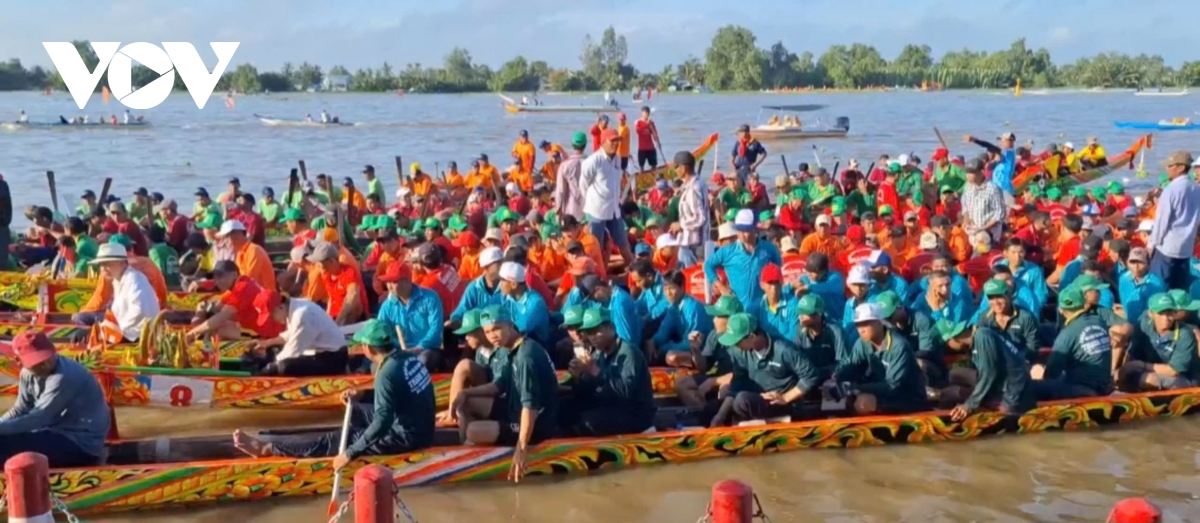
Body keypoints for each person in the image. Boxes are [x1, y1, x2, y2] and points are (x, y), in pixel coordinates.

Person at [233, 319, 434, 470]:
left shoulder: (387, 372)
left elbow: (382, 421)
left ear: (368, 348)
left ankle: (269, 449)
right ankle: (339, 441)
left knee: (338, 440)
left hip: (407, 437)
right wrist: (362, 394)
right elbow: (397, 393)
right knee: (354, 410)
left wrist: (350, 452)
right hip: (415, 424)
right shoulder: (407, 357)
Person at [451, 306, 559, 482]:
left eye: (497, 329)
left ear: (510, 325)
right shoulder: (507, 349)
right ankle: (464, 451)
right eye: (487, 331)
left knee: (473, 431)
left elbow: (530, 406)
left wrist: (521, 448)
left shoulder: (526, 356)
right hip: (512, 408)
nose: (492, 335)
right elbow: (499, 385)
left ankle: (469, 459)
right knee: (467, 402)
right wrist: (465, 392)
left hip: (536, 423)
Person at [0, 332, 110, 467]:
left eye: (48, 357)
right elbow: (20, 409)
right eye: (38, 362)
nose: (46, 364)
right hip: (53, 431)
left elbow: (37, 419)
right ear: (19, 361)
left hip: (81, 444)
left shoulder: (63, 377)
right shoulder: (27, 373)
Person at [710, 313, 820, 426]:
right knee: (712, 408)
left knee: (742, 400)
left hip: (785, 404)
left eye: (737, 342)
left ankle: (740, 431)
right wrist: (720, 415)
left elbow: (811, 375)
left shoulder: (784, 349)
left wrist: (785, 397)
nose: (734, 345)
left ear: (752, 337)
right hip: (758, 400)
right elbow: (738, 384)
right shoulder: (739, 352)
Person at [563, 307, 656, 436]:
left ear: (610, 328)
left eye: (596, 331)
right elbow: (589, 390)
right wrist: (579, 377)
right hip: (610, 406)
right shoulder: (598, 354)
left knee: (588, 421)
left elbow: (625, 392)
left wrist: (593, 370)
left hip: (635, 413)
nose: (593, 337)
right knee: (566, 409)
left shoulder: (628, 352)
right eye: (589, 333)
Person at [836, 303, 928, 414]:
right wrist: (836, 377)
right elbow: (852, 365)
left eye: (866, 324)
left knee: (864, 402)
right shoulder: (862, 342)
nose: (861, 330)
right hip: (883, 392)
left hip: (909, 398)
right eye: (858, 325)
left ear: (880, 322)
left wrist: (857, 388)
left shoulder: (898, 346)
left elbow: (892, 386)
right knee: (842, 397)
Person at [936, 320, 1036, 420]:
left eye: (947, 344)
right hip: (1001, 383)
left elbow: (989, 373)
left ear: (954, 338)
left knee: (954, 393)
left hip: (1012, 396)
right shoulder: (979, 336)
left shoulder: (983, 337)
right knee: (954, 375)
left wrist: (969, 405)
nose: (949, 348)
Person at [246, 289, 348, 376]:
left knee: (283, 366)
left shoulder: (302, 315)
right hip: (321, 353)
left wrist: (266, 370)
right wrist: (267, 343)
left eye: (271, 316)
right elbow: (291, 334)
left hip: (333, 359)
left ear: (280, 307)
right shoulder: (294, 307)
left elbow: (291, 352)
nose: (272, 320)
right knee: (273, 351)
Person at [1034, 288, 1113, 400]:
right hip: (1103, 385)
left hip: (1081, 390)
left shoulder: (1067, 334)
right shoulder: (1100, 321)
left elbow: (1052, 371)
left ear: (1061, 310)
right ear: (1084, 305)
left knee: (1032, 387)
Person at [1115, 293, 1200, 391]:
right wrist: (1124, 370)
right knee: (1122, 373)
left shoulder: (1185, 334)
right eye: (1161, 313)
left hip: (1186, 379)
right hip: (1151, 369)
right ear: (1151, 314)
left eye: (1169, 313)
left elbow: (1173, 371)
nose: (1166, 318)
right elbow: (1131, 352)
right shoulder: (1143, 324)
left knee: (1147, 379)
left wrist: (1140, 365)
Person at [438, 310, 506, 424]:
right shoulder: (480, 350)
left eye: (469, 333)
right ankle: (453, 412)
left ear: (481, 331)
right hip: (488, 392)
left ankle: (453, 416)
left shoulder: (502, 350)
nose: (466, 338)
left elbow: (498, 387)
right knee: (463, 400)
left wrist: (466, 394)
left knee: (464, 366)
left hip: (503, 402)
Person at [187, 260, 282, 342]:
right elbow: (216, 308)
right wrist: (202, 308)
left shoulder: (241, 288)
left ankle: (206, 354)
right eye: (215, 277)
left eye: (220, 276)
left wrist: (192, 333)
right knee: (213, 326)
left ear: (234, 274)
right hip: (257, 327)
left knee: (218, 328)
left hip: (265, 333)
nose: (217, 281)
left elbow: (220, 317)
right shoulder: (239, 284)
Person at [375, 262, 444, 372]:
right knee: (379, 367)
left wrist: (418, 348)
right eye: (388, 282)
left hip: (426, 350)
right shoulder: (387, 306)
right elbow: (380, 333)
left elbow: (435, 331)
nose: (389, 286)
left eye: (394, 282)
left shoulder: (430, 298)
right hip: (397, 353)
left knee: (421, 362)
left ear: (407, 281)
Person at [705, 209, 782, 306]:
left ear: (755, 229)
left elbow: (778, 269)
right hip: (738, 308)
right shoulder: (728, 251)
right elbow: (708, 265)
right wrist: (721, 287)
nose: (741, 235)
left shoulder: (769, 249)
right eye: (738, 230)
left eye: (745, 231)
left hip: (762, 308)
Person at [580, 127, 634, 266]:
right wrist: (591, 203)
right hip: (597, 211)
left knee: (623, 241)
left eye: (618, 141)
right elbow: (583, 184)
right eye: (613, 141)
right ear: (603, 142)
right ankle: (598, 274)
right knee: (595, 246)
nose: (616, 144)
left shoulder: (617, 159)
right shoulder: (593, 161)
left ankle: (633, 267)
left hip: (614, 210)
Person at [1149, 151, 1200, 290]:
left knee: (1159, 288)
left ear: (1181, 167)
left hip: (1166, 247)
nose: (1167, 169)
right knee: (1180, 290)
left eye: (1170, 166)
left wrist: (1152, 244)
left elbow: (1162, 221)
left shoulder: (1171, 190)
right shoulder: (1197, 189)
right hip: (1186, 248)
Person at [90, 243, 161, 344]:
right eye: (101, 265)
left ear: (122, 263)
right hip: (127, 332)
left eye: (108, 264)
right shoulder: (118, 280)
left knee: (84, 332)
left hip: (138, 336)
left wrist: (117, 328)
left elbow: (140, 310)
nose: (103, 269)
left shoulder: (134, 279)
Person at [975, 279, 1040, 362]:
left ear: (1008, 295)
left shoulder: (1025, 317)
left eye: (999, 296)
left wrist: (1022, 362)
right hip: (995, 361)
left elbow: (1033, 345)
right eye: (991, 298)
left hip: (1020, 362)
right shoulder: (984, 318)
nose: (995, 302)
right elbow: (981, 346)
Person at [307, 241, 366, 325]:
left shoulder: (348, 272)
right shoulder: (326, 275)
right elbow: (331, 297)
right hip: (334, 316)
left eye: (321, 265)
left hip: (350, 317)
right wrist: (327, 319)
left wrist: (337, 322)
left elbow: (353, 298)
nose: (319, 268)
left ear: (332, 261)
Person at [218, 219, 276, 291]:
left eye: (226, 237)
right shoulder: (240, 253)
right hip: (251, 293)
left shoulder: (254, 250)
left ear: (238, 234)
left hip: (263, 296)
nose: (225, 241)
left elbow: (248, 280)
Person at [673, 151, 708, 268]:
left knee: (690, 281)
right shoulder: (697, 183)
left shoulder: (693, 188)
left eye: (676, 167)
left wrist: (681, 225)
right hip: (694, 243)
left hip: (692, 245)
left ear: (684, 167)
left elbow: (700, 218)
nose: (675, 170)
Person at [635, 106, 661, 171]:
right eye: (645, 113)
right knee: (641, 167)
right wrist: (647, 124)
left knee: (654, 165)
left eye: (648, 113)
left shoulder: (651, 123)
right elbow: (639, 131)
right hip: (642, 148)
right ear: (642, 113)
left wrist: (658, 142)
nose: (646, 115)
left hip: (650, 147)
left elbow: (655, 133)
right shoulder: (638, 122)